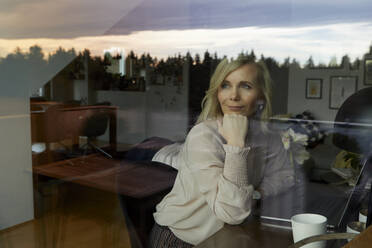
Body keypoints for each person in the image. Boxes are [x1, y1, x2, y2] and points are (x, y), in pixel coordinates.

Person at [148, 55, 295, 247]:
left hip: (227, 237)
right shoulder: (204, 135)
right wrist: (235, 145)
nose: (233, 95)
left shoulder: (267, 134)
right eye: (225, 85)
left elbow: (286, 175)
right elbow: (232, 214)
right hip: (182, 238)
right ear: (217, 91)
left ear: (261, 94)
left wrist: (255, 194)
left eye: (246, 86)